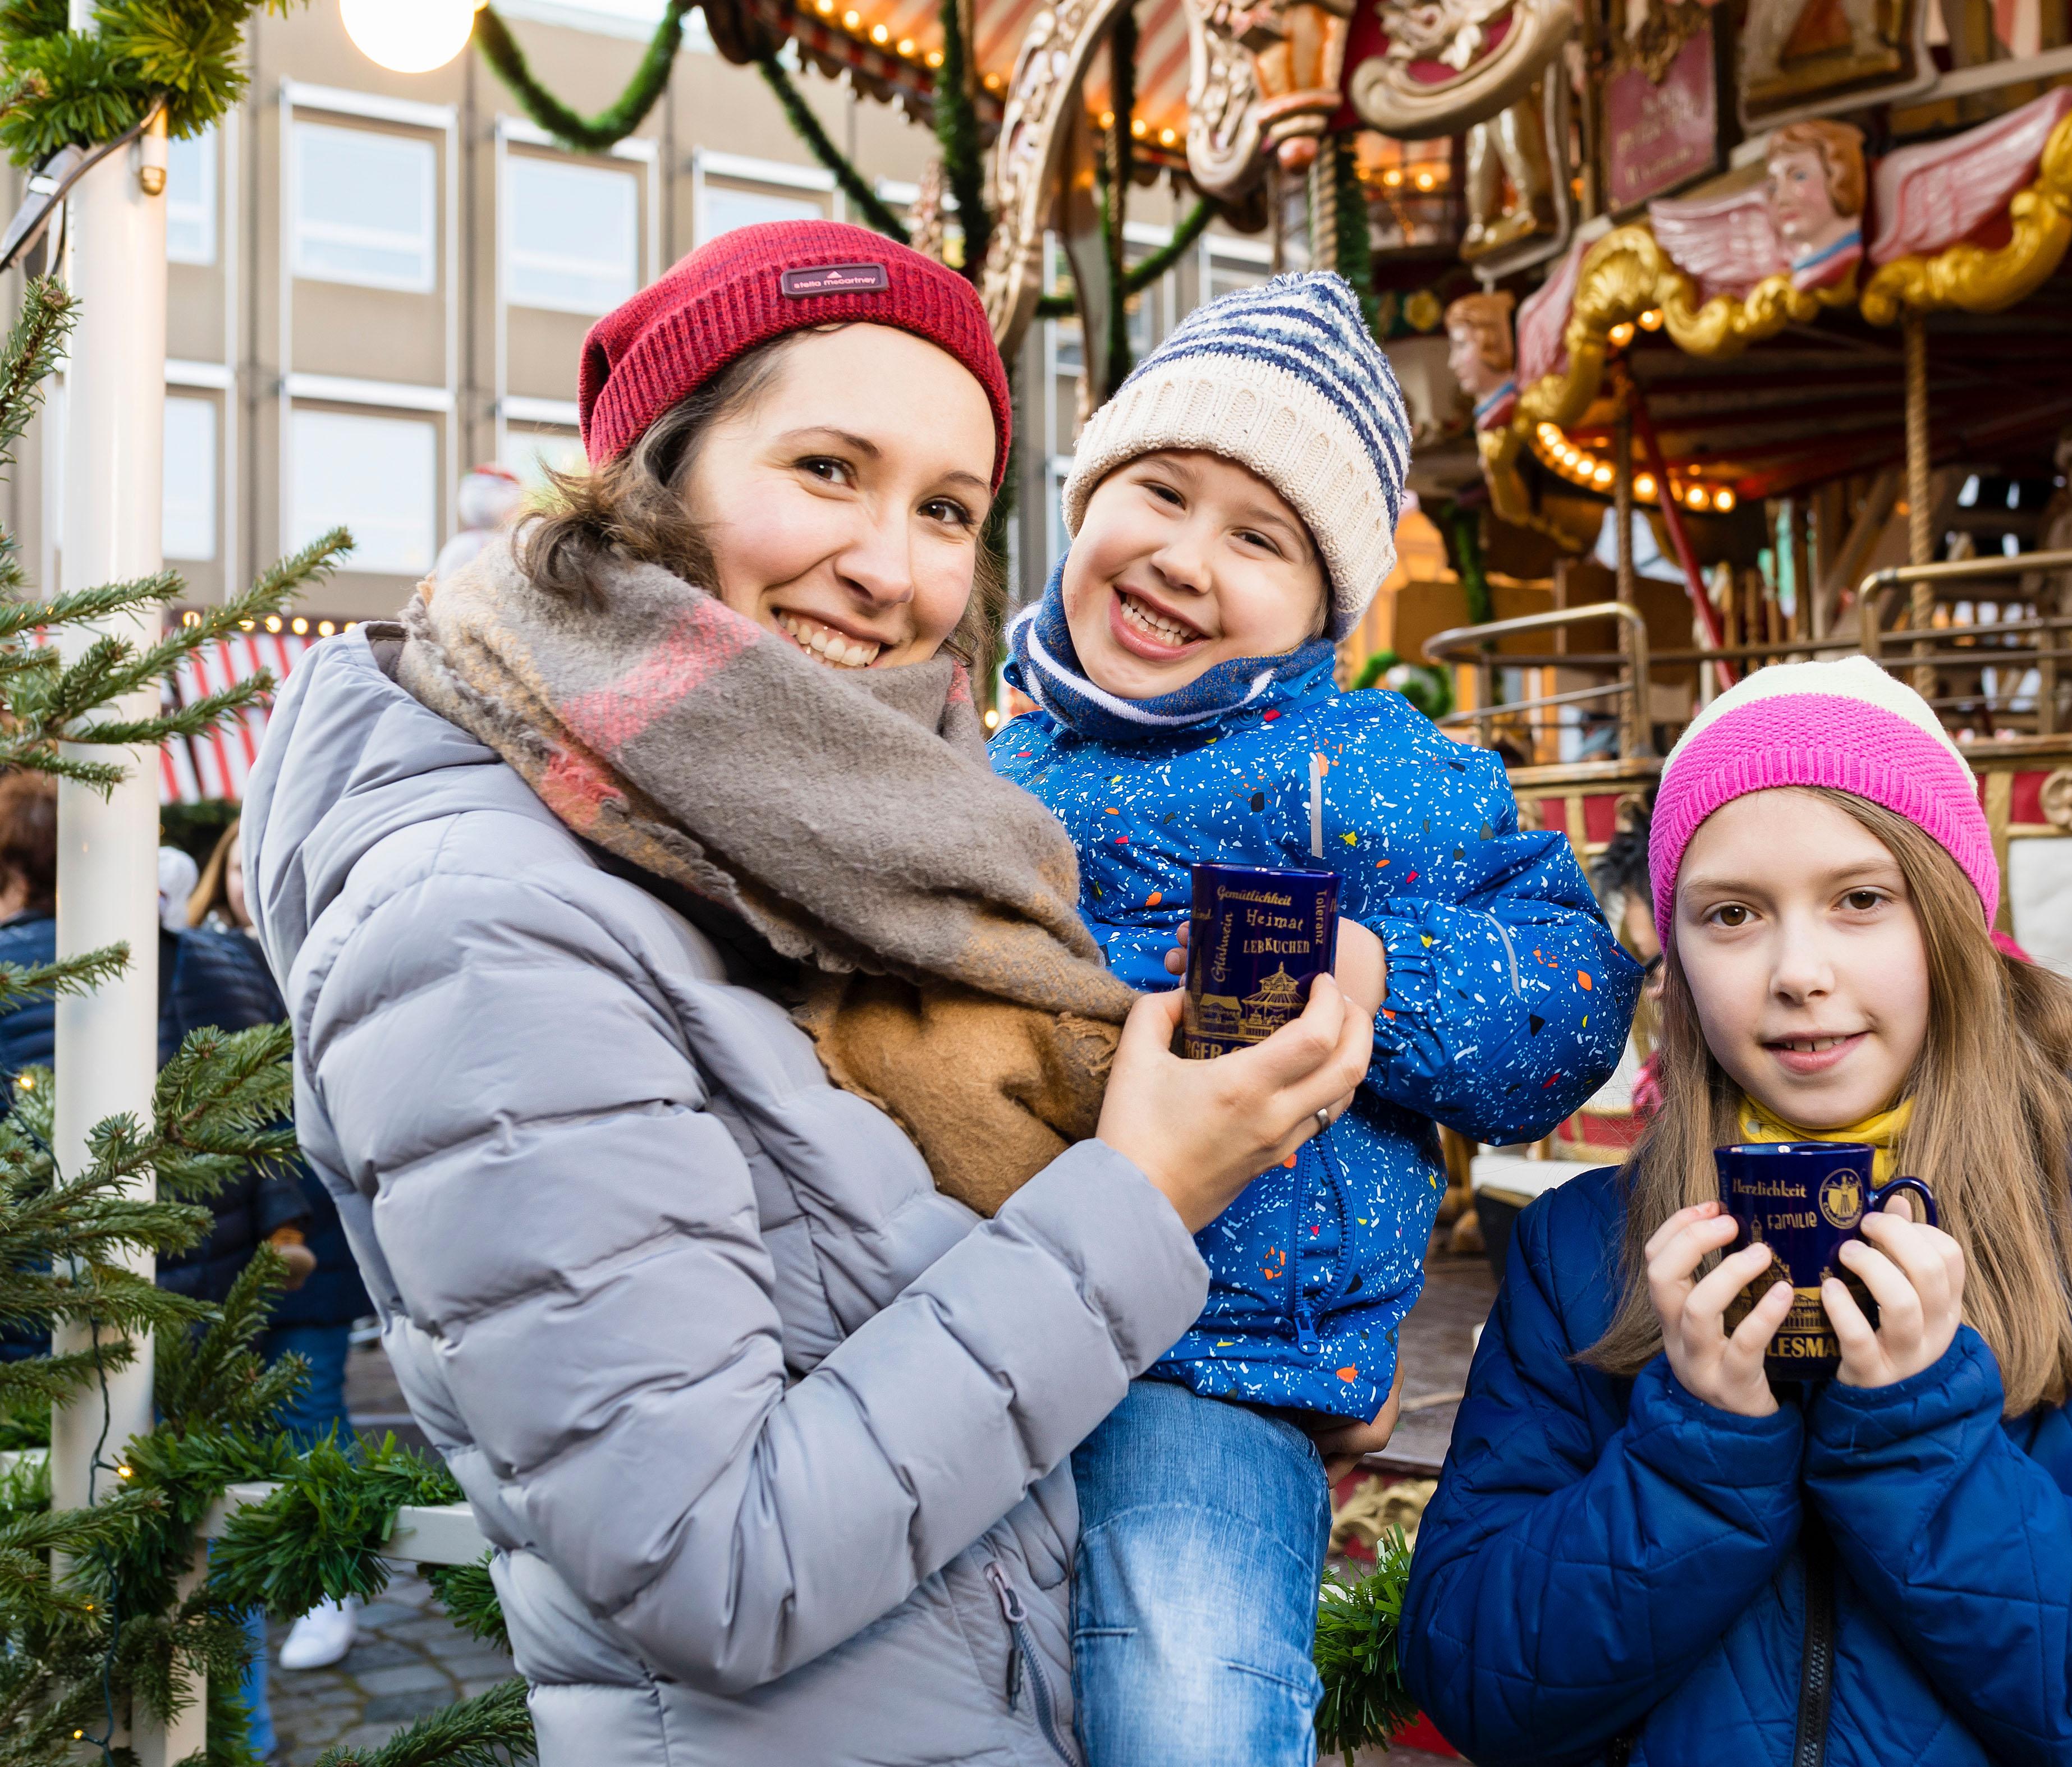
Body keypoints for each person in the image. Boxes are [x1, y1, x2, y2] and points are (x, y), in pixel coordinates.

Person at [241, 222, 1374, 1765]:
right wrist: (1146, 1193)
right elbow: (709, 1560)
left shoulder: (819, 844)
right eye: (827, 468)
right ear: (657, 469)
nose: (891, 566)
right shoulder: (486, 917)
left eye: (948, 508)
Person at [1396, 657, 2072, 1766]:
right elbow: (1474, 1683)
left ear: (1956, 928)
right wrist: (1696, 1446)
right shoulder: (1580, 1257)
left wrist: (1921, 1435)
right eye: (1731, 915)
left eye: (1862, 899)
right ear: (1674, 963)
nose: (1797, 970)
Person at [992, 271, 1641, 1767]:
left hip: (1219, 1348)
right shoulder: (990, 754)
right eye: (1157, 489)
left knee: (1188, 1691)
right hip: (971, 1302)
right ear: (1085, 495)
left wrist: (1374, 970)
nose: (1181, 553)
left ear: (1322, 608)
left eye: (1257, 535)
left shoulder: (1356, 767)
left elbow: (1564, 990)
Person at [0, 775, 316, 1757]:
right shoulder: (209, 957)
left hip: (31, 1351)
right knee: (209, 1606)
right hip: (205, 1337)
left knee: (45, 1601)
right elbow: (275, 1112)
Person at [187, 819, 377, 1672]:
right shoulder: (193, 968)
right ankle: (256, 1585)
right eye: (237, 864)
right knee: (232, 1424)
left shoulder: (331, 954)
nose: (246, 880)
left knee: (310, 1413)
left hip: (319, 1236)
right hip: (222, 1243)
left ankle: (328, 1587)